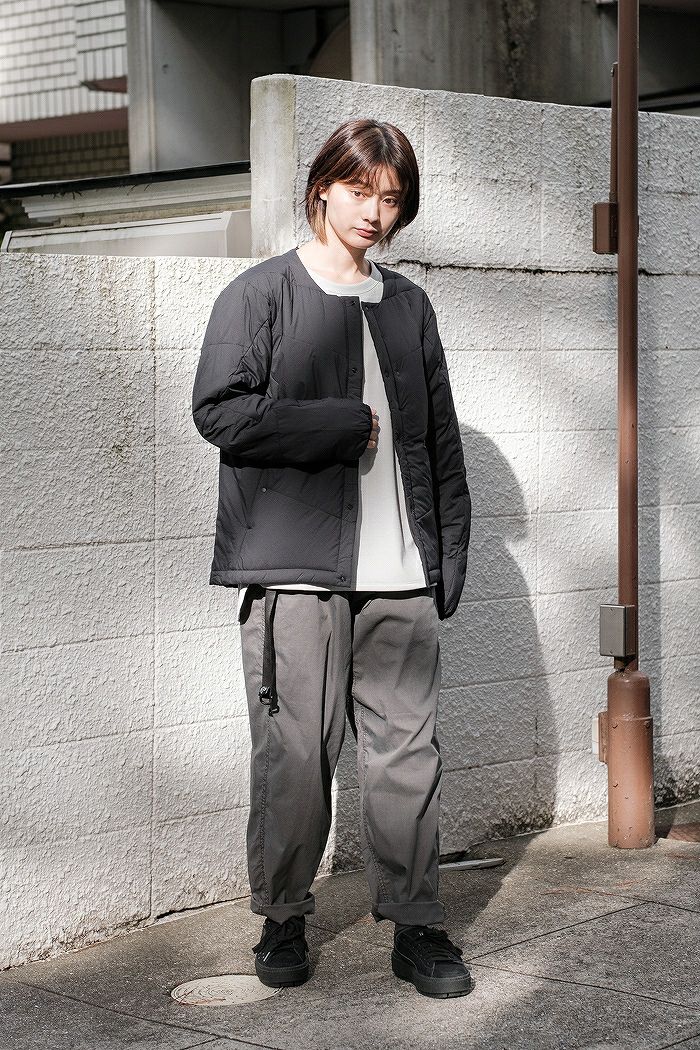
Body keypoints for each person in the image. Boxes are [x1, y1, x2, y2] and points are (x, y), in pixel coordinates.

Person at [191, 118, 472, 999]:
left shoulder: (408, 305)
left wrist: (447, 555)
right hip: (298, 573)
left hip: (401, 577)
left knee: (408, 761)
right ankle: (282, 917)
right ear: (321, 188)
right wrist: (337, 424)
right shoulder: (260, 294)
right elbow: (219, 412)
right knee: (294, 761)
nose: (373, 212)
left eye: (390, 197)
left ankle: (418, 927)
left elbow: (439, 440)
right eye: (359, 190)